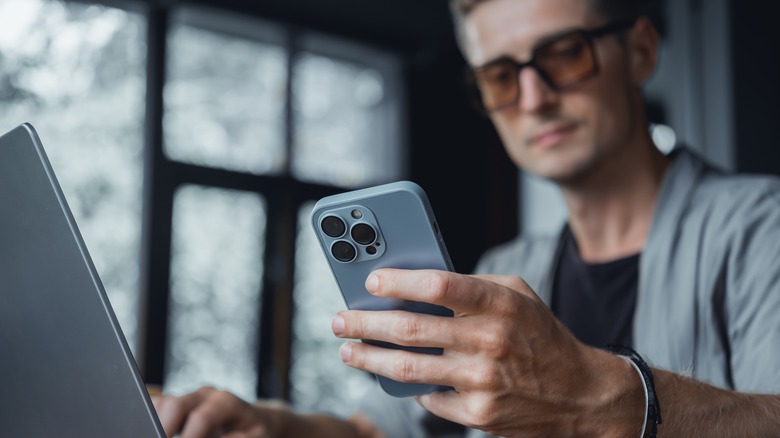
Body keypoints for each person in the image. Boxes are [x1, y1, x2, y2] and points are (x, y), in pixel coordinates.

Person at [152, 0, 780, 436]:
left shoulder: (762, 227)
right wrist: (270, 425)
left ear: (641, 50)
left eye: (564, 53)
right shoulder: (507, 270)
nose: (533, 99)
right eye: (501, 75)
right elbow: (388, 431)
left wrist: (604, 400)